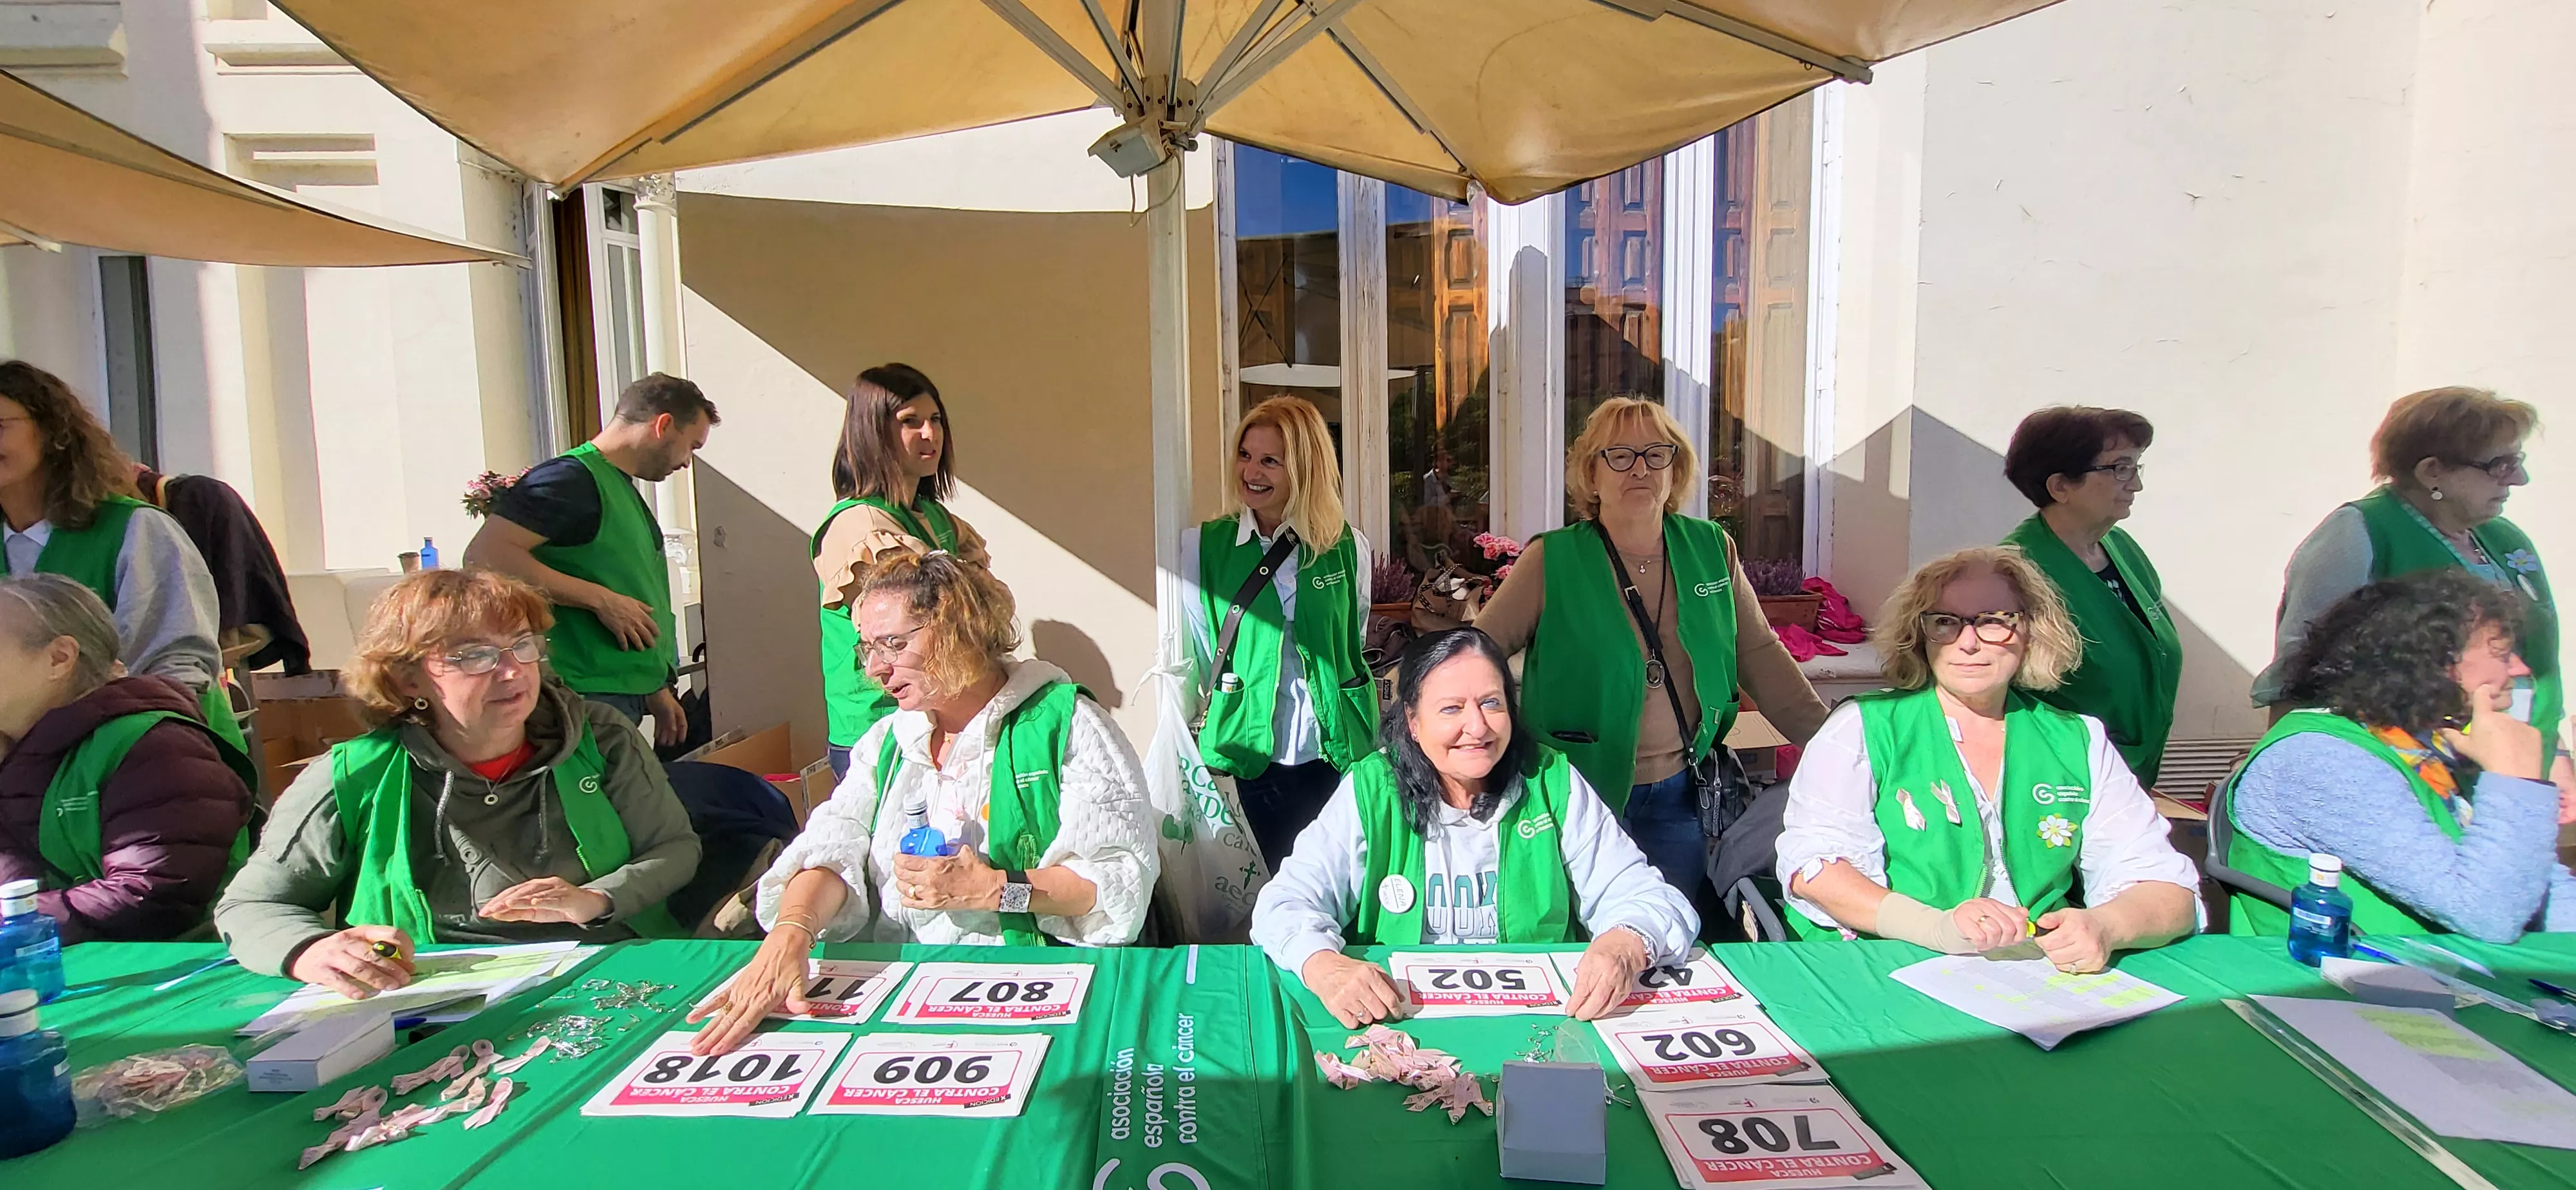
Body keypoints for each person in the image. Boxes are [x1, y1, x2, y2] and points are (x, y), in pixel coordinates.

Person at [687, 552, 1155, 1055]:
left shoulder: (1068, 725)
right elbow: (833, 841)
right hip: (894, 996)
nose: (875, 668)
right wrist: (791, 931)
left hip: (1019, 994)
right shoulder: (889, 741)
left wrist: (996, 889)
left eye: (894, 643)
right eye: (868, 648)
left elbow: (1111, 884)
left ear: (962, 628)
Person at [214, 569, 699, 998]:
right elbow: (251, 905)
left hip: (603, 970)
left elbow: (674, 848)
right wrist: (311, 950)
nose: (512, 671)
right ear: (408, 680)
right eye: (474, 656)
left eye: (522, 645)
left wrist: (597, 898)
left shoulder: (602, 738)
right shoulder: (354, 774)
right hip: (426, 993)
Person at [1477, 397, 1829, 908]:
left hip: (1678, 797)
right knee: (1577, 937)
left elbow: (1761, 656)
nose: (1638, 468)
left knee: (1669, 935)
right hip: (1574, 794)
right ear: (1591, 476)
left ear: (1675, 469)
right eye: (1618, 455)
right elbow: (1473, 659)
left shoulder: (1712, 549)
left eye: (1654, 454)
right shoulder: (1552, 559)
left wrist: (1840, 750)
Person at [1776, 547, 2199, 972]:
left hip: (2039, 976)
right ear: (1919, 634)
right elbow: (1813, 870)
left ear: (2032, 630)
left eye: (1994, 621)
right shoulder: (1864, 726)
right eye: (1946, 622)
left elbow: (2170, 893)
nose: (1970, 642)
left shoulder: (2078, 739)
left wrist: (2106, 925)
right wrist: (1935, 927)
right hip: (1890, 966)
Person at [1251, 628, 1698, 1028]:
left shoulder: (1549, 781)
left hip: (1538, 1026)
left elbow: (1651, 898)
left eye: (1491, 703)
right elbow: (1284, 903)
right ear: (1412, 720)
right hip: (1400, 1027)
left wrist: (1624, 943)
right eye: (1451, 709)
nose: (1477, 727)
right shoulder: (1373, 789)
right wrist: (1325, 966)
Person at [2257, 386, 2564, 803]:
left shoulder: (2505, 538)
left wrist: (2558, 755)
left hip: (2517, 767)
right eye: (2500, 465)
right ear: (2432, 471)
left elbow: (2537, 665)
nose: (2519, 479)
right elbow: (2304, 666)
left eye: (2518, 461)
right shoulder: (2358, 532)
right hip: (2407, 781)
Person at [2228, 571, 2573, 941]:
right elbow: (2489, 916)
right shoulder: (2322, 760)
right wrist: (2515, 782)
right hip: (2343, 989)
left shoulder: (2421, 742)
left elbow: (2541, 888)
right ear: (2435, 665)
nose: (2520, 669)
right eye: (2503, 654)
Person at [466, 372, 719, 745]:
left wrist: (654, 686)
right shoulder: (569, 480)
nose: (686, 463)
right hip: (582, 694)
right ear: (664, 425)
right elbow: (485, 556)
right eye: (691, 446)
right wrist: (601, 600)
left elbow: (627, 581)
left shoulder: (615, 486)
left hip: (616, 692)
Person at [0, 575, 252, 941]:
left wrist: (16, 923)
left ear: (59, 658)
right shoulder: (18, 749)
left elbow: (150, 893)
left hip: (183, 977)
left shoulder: (155, 746)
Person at [1182, 396, 1376, 866]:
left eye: (1270, 461)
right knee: (1272, 878)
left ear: (1305, 469)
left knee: (1342, 875)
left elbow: (1354, 634)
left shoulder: (1349, 547)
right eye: (1246, 456)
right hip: (1251, 748)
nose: (1252, 472)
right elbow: (1206, 647)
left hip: (1331, 746)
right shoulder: (1204, 547)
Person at [0, 361, 234, 750]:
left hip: (152, 761)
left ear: (52, 432)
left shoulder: (137, 531)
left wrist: (116, 750)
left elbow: (177, 665)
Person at [812, 364, 989, 779]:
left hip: (937, 714)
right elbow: (929, 616)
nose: (930, 434)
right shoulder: (858, 526)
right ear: (873, 433)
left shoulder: (936, 517)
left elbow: (987, 609)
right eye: (910, 422)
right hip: (878, 726)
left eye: (936, 420)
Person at [2000, 406, 2183, 786]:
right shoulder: (2015, 573)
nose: (2135, 485)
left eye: (2136, 468)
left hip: (2130, 781)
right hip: (2059, 784)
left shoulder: (2121, 549)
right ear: (2060, 486)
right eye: (2119, 468)